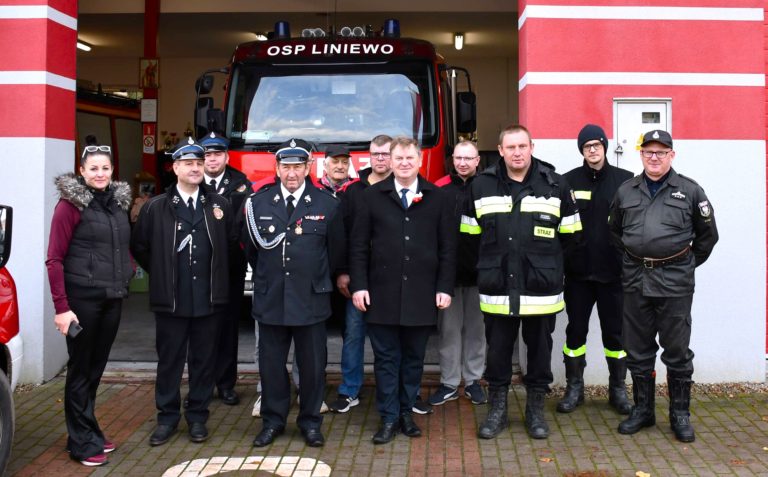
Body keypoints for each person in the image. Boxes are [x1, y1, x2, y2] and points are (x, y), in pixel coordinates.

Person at [470, 124, 582, 440]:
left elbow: (572, 236)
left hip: (541, 291)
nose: (517, 153)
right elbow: (469, 236)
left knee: (539, 354)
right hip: (498, 291)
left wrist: (547, 265)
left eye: (522, 146)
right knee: (497, 354)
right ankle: (497, 412)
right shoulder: (481, 185)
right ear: (500, 150)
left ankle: (535, 412)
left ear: (532, 147)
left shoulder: (556, 185)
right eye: (511, 147)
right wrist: (490, 265)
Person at [609, 129, 718, 443]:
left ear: (672, 155)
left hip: (675, 285)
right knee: (638, 350)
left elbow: (708, 237)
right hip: (636, 281)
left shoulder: (690, 191)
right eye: (648, 152)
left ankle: (680, 414)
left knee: (677, 351)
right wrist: (635, 261)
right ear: (641, 154)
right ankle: (643, 410)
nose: (654, 157)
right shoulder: (626, 191)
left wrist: (683, 265)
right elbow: (615, 234)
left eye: (660, 152)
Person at [350, 136, 456, 444]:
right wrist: (359, 286)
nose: (405, 163)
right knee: (385, 359)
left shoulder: (438, 198)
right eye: (399, 158)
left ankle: (407, 413)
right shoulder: (371, 197)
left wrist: (444, 287)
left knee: (413, 359)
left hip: (422, 294)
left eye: (410, 158)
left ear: (420, 161)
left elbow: (448, 248)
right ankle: (388, 417)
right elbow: (358, 246)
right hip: (380, 294)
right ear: (390, 162)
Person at [131, 138, 234, 446]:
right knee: (170, 362)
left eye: (199, 163)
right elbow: (140, 247)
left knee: (203, 361)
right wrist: (162, 273)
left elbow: (230, 247)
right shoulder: (155, 207)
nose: (195, 168)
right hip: (171, 300)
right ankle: (167, 418)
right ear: (175, 168)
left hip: (208, 299)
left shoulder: (219, 205)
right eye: (188, 163)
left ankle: (198, 417)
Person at [244, 139, 345, 448]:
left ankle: (310, 422)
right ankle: (273, 421)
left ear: (308, 168)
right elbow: (251, 250)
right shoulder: (258, 203)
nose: (291, 173)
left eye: (298, 167)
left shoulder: (327, 204)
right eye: (286, 167)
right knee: (271, 365)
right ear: (277, 169)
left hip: (310, 298)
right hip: (272, 297)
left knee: (312, 367)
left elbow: (335, 253)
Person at [45, 143, 133, 467]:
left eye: (105, 168)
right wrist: (61, 307)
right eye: (93, 168)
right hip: (82, 300)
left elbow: (121, 247)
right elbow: (54, 259)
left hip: (112, 298)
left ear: (112, 171)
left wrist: (129, 269)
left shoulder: (116, 204)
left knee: (95, 370)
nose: (100, 174)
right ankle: (81, 443)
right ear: (81, 171)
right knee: (81, 370)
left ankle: (87, 430)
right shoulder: (69, 206)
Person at [557, 124, 633, 415]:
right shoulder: (567, 181)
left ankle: (618, 389)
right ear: (582, 150)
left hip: (613, 274)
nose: (592, 150)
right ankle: (574, 388)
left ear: (604, 147)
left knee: (616, 335)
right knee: (575, 333)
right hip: (578, 275)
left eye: (596, 145)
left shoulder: (625, 181)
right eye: (587, 146)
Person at [327, 134, 393, 414]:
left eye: (386, 153)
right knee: (353, 334)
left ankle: (392, 390)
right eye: (376, 153)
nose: (380, 158)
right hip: (358, 278)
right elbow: (341, 235)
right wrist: (342, 272)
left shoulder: (402, 187)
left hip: (390, 279)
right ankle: (349, 390)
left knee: (390, 339)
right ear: (369, 156)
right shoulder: (353, 191)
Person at [428, 140, 487, 407]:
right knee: (449, 331)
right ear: (452, 160)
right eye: (458, 158)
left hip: (480, 273)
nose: (463, 163)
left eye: (468, 158)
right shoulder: (438, 189)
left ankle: (473, 381)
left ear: (477, 161)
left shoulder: (487, 187)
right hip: (447, 277)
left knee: (477, 331)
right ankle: (449, 383)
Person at [200, 131, 251, 406]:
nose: (212, 159)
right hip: (199, 270)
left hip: (231, 268)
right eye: (207, 154)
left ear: (226, 157)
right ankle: (202, 384)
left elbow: (245, 227)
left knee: (228, 328)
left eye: (217, 154)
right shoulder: (191, 181)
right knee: (201, 329)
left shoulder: (241, 185)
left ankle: (226, 384)